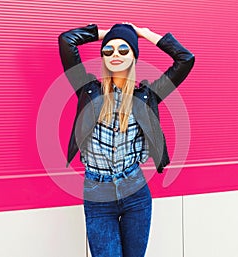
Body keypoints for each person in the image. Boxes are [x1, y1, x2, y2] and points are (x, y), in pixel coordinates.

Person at [58, 23, 194, 257]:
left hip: (135, 192)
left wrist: (142, 34)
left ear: (133, 56)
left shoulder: (147, 96)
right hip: (97, 192)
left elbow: (185, 59)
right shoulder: (88, 90)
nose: (116, 55)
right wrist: (109, 33)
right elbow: (66, 41)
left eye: (123, 49)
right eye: (108, 50)